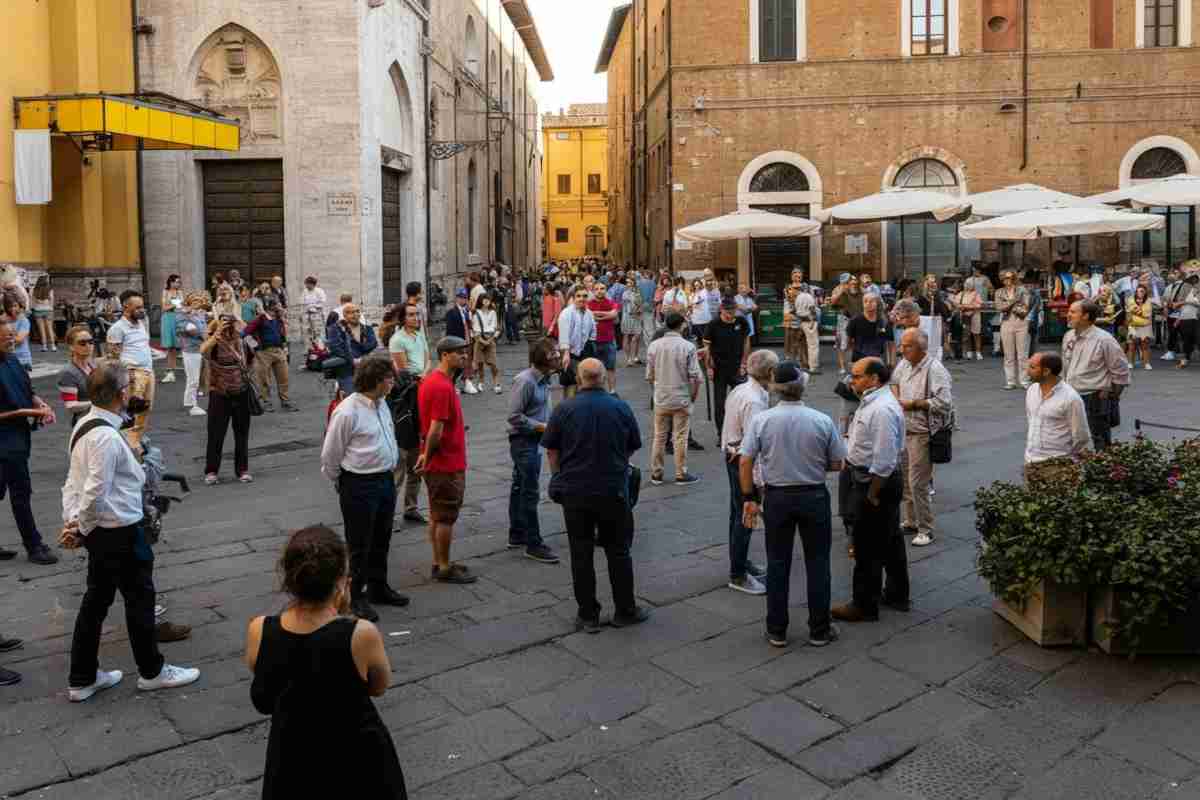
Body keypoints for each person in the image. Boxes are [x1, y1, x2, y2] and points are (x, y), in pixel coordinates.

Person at [60, 362, 200, 702]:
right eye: (128, 387)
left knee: (96, 601)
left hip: (101, 530)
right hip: (118, 531)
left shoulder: (84, 426)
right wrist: (80, 526)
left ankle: (83, 677)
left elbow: (72, 483)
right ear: (121, 394)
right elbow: (95, 490)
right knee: (139, 599)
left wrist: (74, 521)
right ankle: (152, 671)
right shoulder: (105, 436)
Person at [246, 526, 406, 800]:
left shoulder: (260, 629)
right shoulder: (360, 632)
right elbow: (378, 686)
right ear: (342, 581)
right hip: (357, 757)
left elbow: (264, 698)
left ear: (288, 577)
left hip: (292, 757)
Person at [740, 362, 844, 648]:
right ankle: (819, 630)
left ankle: (777, 629)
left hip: (777, 498)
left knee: (777, 563)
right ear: (802, 388)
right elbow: (838, 462)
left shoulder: (762, 420)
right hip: (813, 495)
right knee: (818, 563)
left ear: (775, 389)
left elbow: (746, 459)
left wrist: (749, 497)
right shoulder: (821, 420)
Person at [543, 358, 650, 632]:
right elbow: (631, 446)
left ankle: (588, 614)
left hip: (575, 490)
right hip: (612, 488)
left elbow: (552, 450)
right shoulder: (620, 407)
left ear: (579, 379)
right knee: (618, 550)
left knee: (581, 552)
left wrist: (557, 476)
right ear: (602, 378)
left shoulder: (564, 409)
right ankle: (625, 609)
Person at [321, 358, 408, 622]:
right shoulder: (347, 411)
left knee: (382, 537)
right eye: (389, 379)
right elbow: (330, 454)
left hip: (384, 480)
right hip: (359, 482)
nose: (393, 382)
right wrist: (341, 481)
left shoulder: (382, 405)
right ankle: (356, 595)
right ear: (376, 381)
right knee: (360, 544)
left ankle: (379, 586)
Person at [832, 357, 908, 623]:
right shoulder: (874, 401)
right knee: (889, 539)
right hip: (872, 478)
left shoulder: (882, 409)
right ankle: (897, 595)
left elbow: (884, 459)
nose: (851, 380)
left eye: (857, 376)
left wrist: (873, 492)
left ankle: (864, 604)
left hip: (874, 482)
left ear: (874, 379)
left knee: (867, 544)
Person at [416, 337, 477, 584]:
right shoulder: (441, 386)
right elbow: (435, 431)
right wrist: (427, 456)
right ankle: (443, 567)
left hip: (440, 462)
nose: (465, 356)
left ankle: (438, 560)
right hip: (446, 464)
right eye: (459, 353)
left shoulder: (436, 381)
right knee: (445, 517)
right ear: (444, 355)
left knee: (436, 514)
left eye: (465, 352)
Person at [0, 317, 58, 565]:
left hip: (17, 437)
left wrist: (40, 404)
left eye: (12, 337)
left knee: (11, 490)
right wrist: (28, 413)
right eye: (6, 338)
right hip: (4, 439)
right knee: (20, 492)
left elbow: (29, 390)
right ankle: (34, 545)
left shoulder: (13, 361)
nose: (12, 341)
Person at [891, 329, 953, 548]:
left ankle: (926, 528)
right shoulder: (904, 364)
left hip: (923, 433)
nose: (902, 349)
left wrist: (914, 403)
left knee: (918, 483)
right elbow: (894, 382)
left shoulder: (935, 369)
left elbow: (945, 403)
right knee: (906, 481)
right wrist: (898, 398)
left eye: (907, 346)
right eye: (902, 345)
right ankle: (911, 521)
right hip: (904, 431)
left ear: (921, 348)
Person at [720, 350, 776, 595]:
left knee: (737, 513)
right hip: (743, 460)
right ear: (769, 373)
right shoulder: (755, 399)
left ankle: (740, 562)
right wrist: (759, 479)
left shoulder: (741, 389)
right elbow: (753, 442)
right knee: (746, 513)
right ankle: (738, 574)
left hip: (733, 454)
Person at [506, 338, 562, 564]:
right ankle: (533, 543)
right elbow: (514, 416)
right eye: (554, 354)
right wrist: (543, 427)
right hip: (523, 441)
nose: (558, 356)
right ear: (544, 360)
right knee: (529, 491)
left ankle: (517, 533)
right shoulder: (525, 381)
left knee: (519, 486)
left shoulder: (545, 379)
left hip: (533, 440)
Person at [1062, 300, 1131, 451]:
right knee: (1073, 439)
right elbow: (1066, 367)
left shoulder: (1104, 339)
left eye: (1073, 312)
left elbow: (1121, 370)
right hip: (1071, 395)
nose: (1068, 315)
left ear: (1086, 316)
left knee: (1099, 440)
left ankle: (1104, 471)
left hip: (1094, 397)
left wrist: (1112, 395)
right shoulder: (1068, 336)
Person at [646, 312, 702, 486]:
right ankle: (680, 472)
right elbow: (695, 376)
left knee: (659, 436)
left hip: (661, 396)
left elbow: (650, 375)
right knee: (680, 437)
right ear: (682, 325)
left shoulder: (654, 346)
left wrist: (656, 390)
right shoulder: (688, 346)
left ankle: (656, 473)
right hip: (681, 396)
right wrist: (692, 396)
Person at [201, 315, 254, 485]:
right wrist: (217, 332)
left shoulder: (242, 341)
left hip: (241, 391)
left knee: (242, 434)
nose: (229, 328)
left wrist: (240, 326)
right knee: (216, 434)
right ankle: (211, 471)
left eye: (230, 324)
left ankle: (242, 470)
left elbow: (255, 352)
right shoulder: (214, 343)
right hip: (219, 393)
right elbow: (203, 351)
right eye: (226, 324)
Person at [1024, 352, 1091, 484]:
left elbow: (1081, 436)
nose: (1027, 371)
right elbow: (1031, 420)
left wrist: (1064, 459)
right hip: (1030, 462)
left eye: (1032, 367)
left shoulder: (1071, 398)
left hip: (1058, 465)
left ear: (1046, 371)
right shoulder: (1031, 390)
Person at [104, 290, 155, 453]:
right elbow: (113, 357)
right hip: (132, 373)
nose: (142, 310)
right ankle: (127, 444)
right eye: (138, 307)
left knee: (146, 408)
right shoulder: (117, 329)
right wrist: (123, 379)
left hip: (148, 371)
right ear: (126, 307)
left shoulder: (141, 323)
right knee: (132, 410)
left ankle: (135, 440)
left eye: (143, 306)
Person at [704, 298, 751, 436]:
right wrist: (708, 367)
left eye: (733, 310)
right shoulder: (713, 324)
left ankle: (741, 430)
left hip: (737, 367)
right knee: (720, 404)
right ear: (721, 309)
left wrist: (744, 363)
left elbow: (746, 342)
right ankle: (722, 433)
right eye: (727, 311)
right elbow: (707, 348)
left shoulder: (741, 322)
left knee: (742, 401)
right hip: (719, 369)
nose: (730, 314)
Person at [244, 299, 297, 413]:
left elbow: (282, 335)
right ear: (271, 308)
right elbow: (245, 333)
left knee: (284, 377)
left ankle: (285, 402)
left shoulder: (278, 319)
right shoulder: (260, 319)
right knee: (264, 379)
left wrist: (285, 348)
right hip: (264, 352)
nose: (281, 308)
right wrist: (255, 347)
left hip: (278, 350)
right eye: (278, 306)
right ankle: (266, 402)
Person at [328, 304, 380, 396]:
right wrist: (352, 359)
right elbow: (335, 347)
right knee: (351, 397)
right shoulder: (336, 329)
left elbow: (373, 343)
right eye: (351, 313)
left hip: (366, 369)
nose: (355, 314)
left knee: (370, 396)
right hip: (346, 369)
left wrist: (361, 357)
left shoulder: (367, 328)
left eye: (357, 311)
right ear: (344, 315)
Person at [557, 287, 597, 400]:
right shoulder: (567, 313)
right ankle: (568, 410)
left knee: (582, 384)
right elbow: (564, 335)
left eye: (584, 296)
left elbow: (592, 333)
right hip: (570, 353)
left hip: (583, 352)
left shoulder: (589, 313)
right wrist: (566, 354)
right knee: (570, 384)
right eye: (578, 296)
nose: (582, 299)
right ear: (573, 298)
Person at [174, 293, 209, 418]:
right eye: (194, 301)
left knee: (197, 378)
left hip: (200, 349)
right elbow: (193, 330)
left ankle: (190, 402)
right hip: (190, 350)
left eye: (199, 301)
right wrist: (203, 331)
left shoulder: (199, 314)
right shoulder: (181, 315)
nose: (198, 303)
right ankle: (191, 405)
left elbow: (202, 329)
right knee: (193, 379)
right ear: (189, 302)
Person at [58, 325, 97, 427]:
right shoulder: (68, 372)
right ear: (71, 346)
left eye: (91, 342)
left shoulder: (94, 365)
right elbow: (71, 406)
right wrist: (98, 403)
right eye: (82, 343)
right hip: (85, 422)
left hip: (99, 417)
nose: (88, 345)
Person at [445, 289, 478, 394]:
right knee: (457, 365)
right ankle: (451, 384)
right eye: (461, 297)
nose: (463, 300)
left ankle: (467, 381)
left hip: (468, 340)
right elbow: (449, 330)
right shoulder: (451, 312)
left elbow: (471, 325)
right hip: (458, 341)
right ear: (457, 298)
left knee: (468, 363)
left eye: (465, 298)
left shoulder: (467, 311)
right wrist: (451, 343)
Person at [470, 292, 502, 394]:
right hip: (479, 339)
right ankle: (481, 382)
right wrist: (482, 340)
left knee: (493, 363)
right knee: (479, 363)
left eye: (488, 299)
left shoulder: (493, 312)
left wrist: (491, 339)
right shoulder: (476, 313)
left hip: (490, 338)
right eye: (484, 299)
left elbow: (496, 327)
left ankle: (496, 383)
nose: (486, 301)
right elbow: (475, 330)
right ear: (480, 300)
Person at [847, 293, 892, 363]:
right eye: (865, 301)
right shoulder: (855, 321)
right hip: (859, 360)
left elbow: (890, 343)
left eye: (872, 301)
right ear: (862, 304)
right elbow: (849, 342)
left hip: (878, 360)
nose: (868, 303)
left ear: (877, 303)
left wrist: (891, 362)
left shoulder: (884, 322)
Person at [964, 264, 993, 358]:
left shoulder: (985, 279)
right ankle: (971, 351)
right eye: (974, 270)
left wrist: (989, 290)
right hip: (970, 306)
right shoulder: (968, 280)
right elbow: (965, 292)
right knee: (969, 331)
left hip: (981, 305)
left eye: (977, 270)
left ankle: (978, 350)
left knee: (980, 329)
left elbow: (991, 289)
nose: (975, 272)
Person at [158, 275, 183, 382]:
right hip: (167, 319)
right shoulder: (165, 292)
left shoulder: (180, 292)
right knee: (170, 346)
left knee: (178, 345)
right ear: (171, 282)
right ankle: (170, 371)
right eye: (177, 282)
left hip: (177, 318)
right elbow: (164, 308)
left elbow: (181, 306)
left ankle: (171, 370)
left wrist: (174, 305)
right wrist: (175, 304)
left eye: (179, 282)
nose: (178, 284)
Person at [1173, 274, 1200, 368]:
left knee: (1198, 338)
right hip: (1185, 317)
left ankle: (1186, 358)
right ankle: (1186, 359)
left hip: (1197, 317)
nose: (1194, 280)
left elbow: (1197, 303)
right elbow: (1177, 304)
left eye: (1196, 278)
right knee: (1186, 339)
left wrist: (1186, 302)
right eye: (1192, 278)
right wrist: (1178, 318)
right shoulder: (1184, 287)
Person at [1126, 284, 1154, 370]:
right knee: (1132, 345)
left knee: (1145, 345)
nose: (1140, 293)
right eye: (1138, 291)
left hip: (1145, 326)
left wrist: (1139, 309)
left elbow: (1147, 314)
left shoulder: (1148, 301)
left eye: (1142, 291)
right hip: (1133, 326)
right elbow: (1130, 311)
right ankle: (1130, 363)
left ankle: (1146, 363)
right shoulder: (1130, 300)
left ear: (1145, 292)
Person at [4, 294, 33, 373]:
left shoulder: (24, 321)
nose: (13, 309)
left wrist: (6, 338)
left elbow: (19, 339)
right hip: (7, 358)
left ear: (19, 306)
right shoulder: (4, 320)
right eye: (10, 306)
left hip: (22, 359)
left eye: (15, 305)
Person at [1161, 270, 1186, 361]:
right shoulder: (1168, 287)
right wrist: (1164, 307)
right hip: (1171, 315)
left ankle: (1185, 353)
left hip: (1182, 314)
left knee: (1184, 334)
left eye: (1175, 273)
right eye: (1171, 273)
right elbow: (1164, 299)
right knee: (1172, 333)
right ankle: (1171, 352)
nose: (1171, 275)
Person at [620, 277, 644, 367]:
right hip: (627, 316)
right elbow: (627, 305)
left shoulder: (637, 292)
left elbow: (640, 304)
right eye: (627, 283)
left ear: (634, 283)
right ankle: (628, 359)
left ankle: (633, 357)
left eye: (630, 282)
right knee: (626, 336)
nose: (628, 284)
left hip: (636, 317)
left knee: (636, 336)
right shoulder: (625, 293)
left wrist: (640, 309)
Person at [30, 275, 56, 353]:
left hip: (38, 311)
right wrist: (51, 308)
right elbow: (52, 300)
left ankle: (44, 346)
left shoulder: (34, 290)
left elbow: (33, 301)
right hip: (48, 310)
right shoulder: (50, 289)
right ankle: (53, 346)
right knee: (50, 328)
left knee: (42, 330)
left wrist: (36, 305)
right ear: (45, 281)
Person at [301, 276, 327, 346]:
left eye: (308, 284)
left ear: (312, 284)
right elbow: (302, 302)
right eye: (306, 284)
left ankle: (319, 348)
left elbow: (323, 302)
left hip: (317, 314)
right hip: (307, 314)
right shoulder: (305, 291)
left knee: (317, 332)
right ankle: (309, 349)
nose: (306, 286)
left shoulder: (319, 291)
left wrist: (313, 306)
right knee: (307, 332)